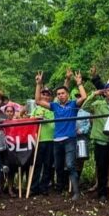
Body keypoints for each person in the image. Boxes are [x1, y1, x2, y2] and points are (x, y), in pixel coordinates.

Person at [35, 70, 88, 200]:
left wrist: (79, 83)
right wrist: (38, 84)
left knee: (70, 165)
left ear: (67, 94)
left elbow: (84, 97)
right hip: (56, 140)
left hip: (70, 139)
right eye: (58, 94)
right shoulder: (54, 106)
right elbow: (38, 101)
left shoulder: (73, 105)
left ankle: (76, 192)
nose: (60, 95)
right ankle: (60, 188)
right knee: (58, 166)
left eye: (63, 93)